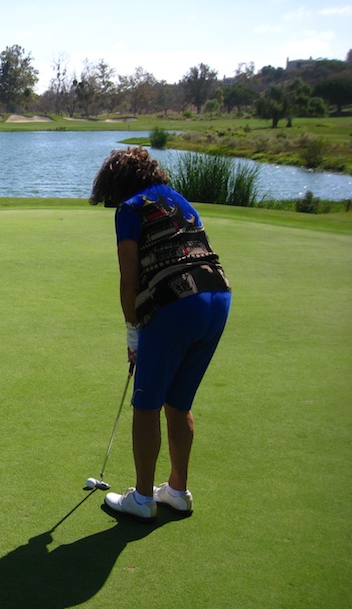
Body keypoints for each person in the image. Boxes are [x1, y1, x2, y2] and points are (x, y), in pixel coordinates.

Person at [89, 147, 231, 523]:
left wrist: (133, 333)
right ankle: (177, 491)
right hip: (217, 300)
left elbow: (129, 281)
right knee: (178, 402)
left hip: (176, 304)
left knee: (147, 402)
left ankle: (142, 498)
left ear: (118, 184)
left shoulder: (130, 208)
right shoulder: (181, 201)